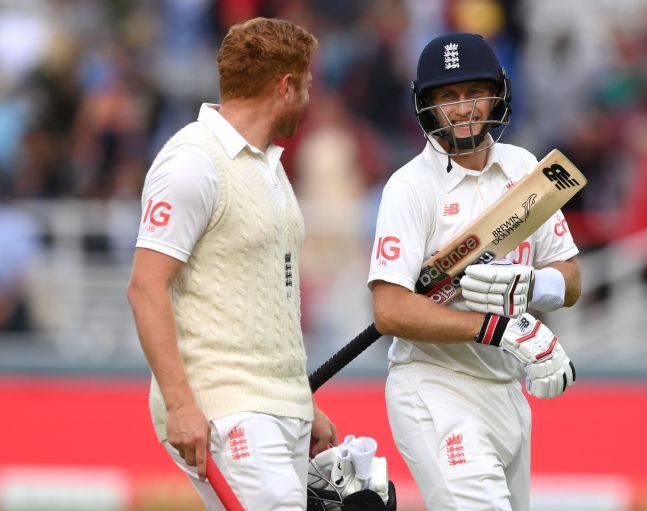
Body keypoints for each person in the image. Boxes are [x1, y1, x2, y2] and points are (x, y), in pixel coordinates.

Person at [127, 17, 337, 510]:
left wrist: (302, 404)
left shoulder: (268, 165)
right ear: (286, 86)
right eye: (307, 85)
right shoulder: (193, 162)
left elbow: (268, 298)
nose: (309, 99)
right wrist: (180, 403)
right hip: (226, 408)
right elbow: (145, 288)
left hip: (275, 404)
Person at [368, 33, 582, 510]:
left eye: (473, 93)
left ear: (497, 95)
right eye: (447, 97)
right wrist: (498, 330)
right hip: (436, 385)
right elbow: (389, 310)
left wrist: (536, 286)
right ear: (426, 106)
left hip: (508, 392)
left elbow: (571, 278)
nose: (463, 109)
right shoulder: (409, 188)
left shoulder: (526, 169)